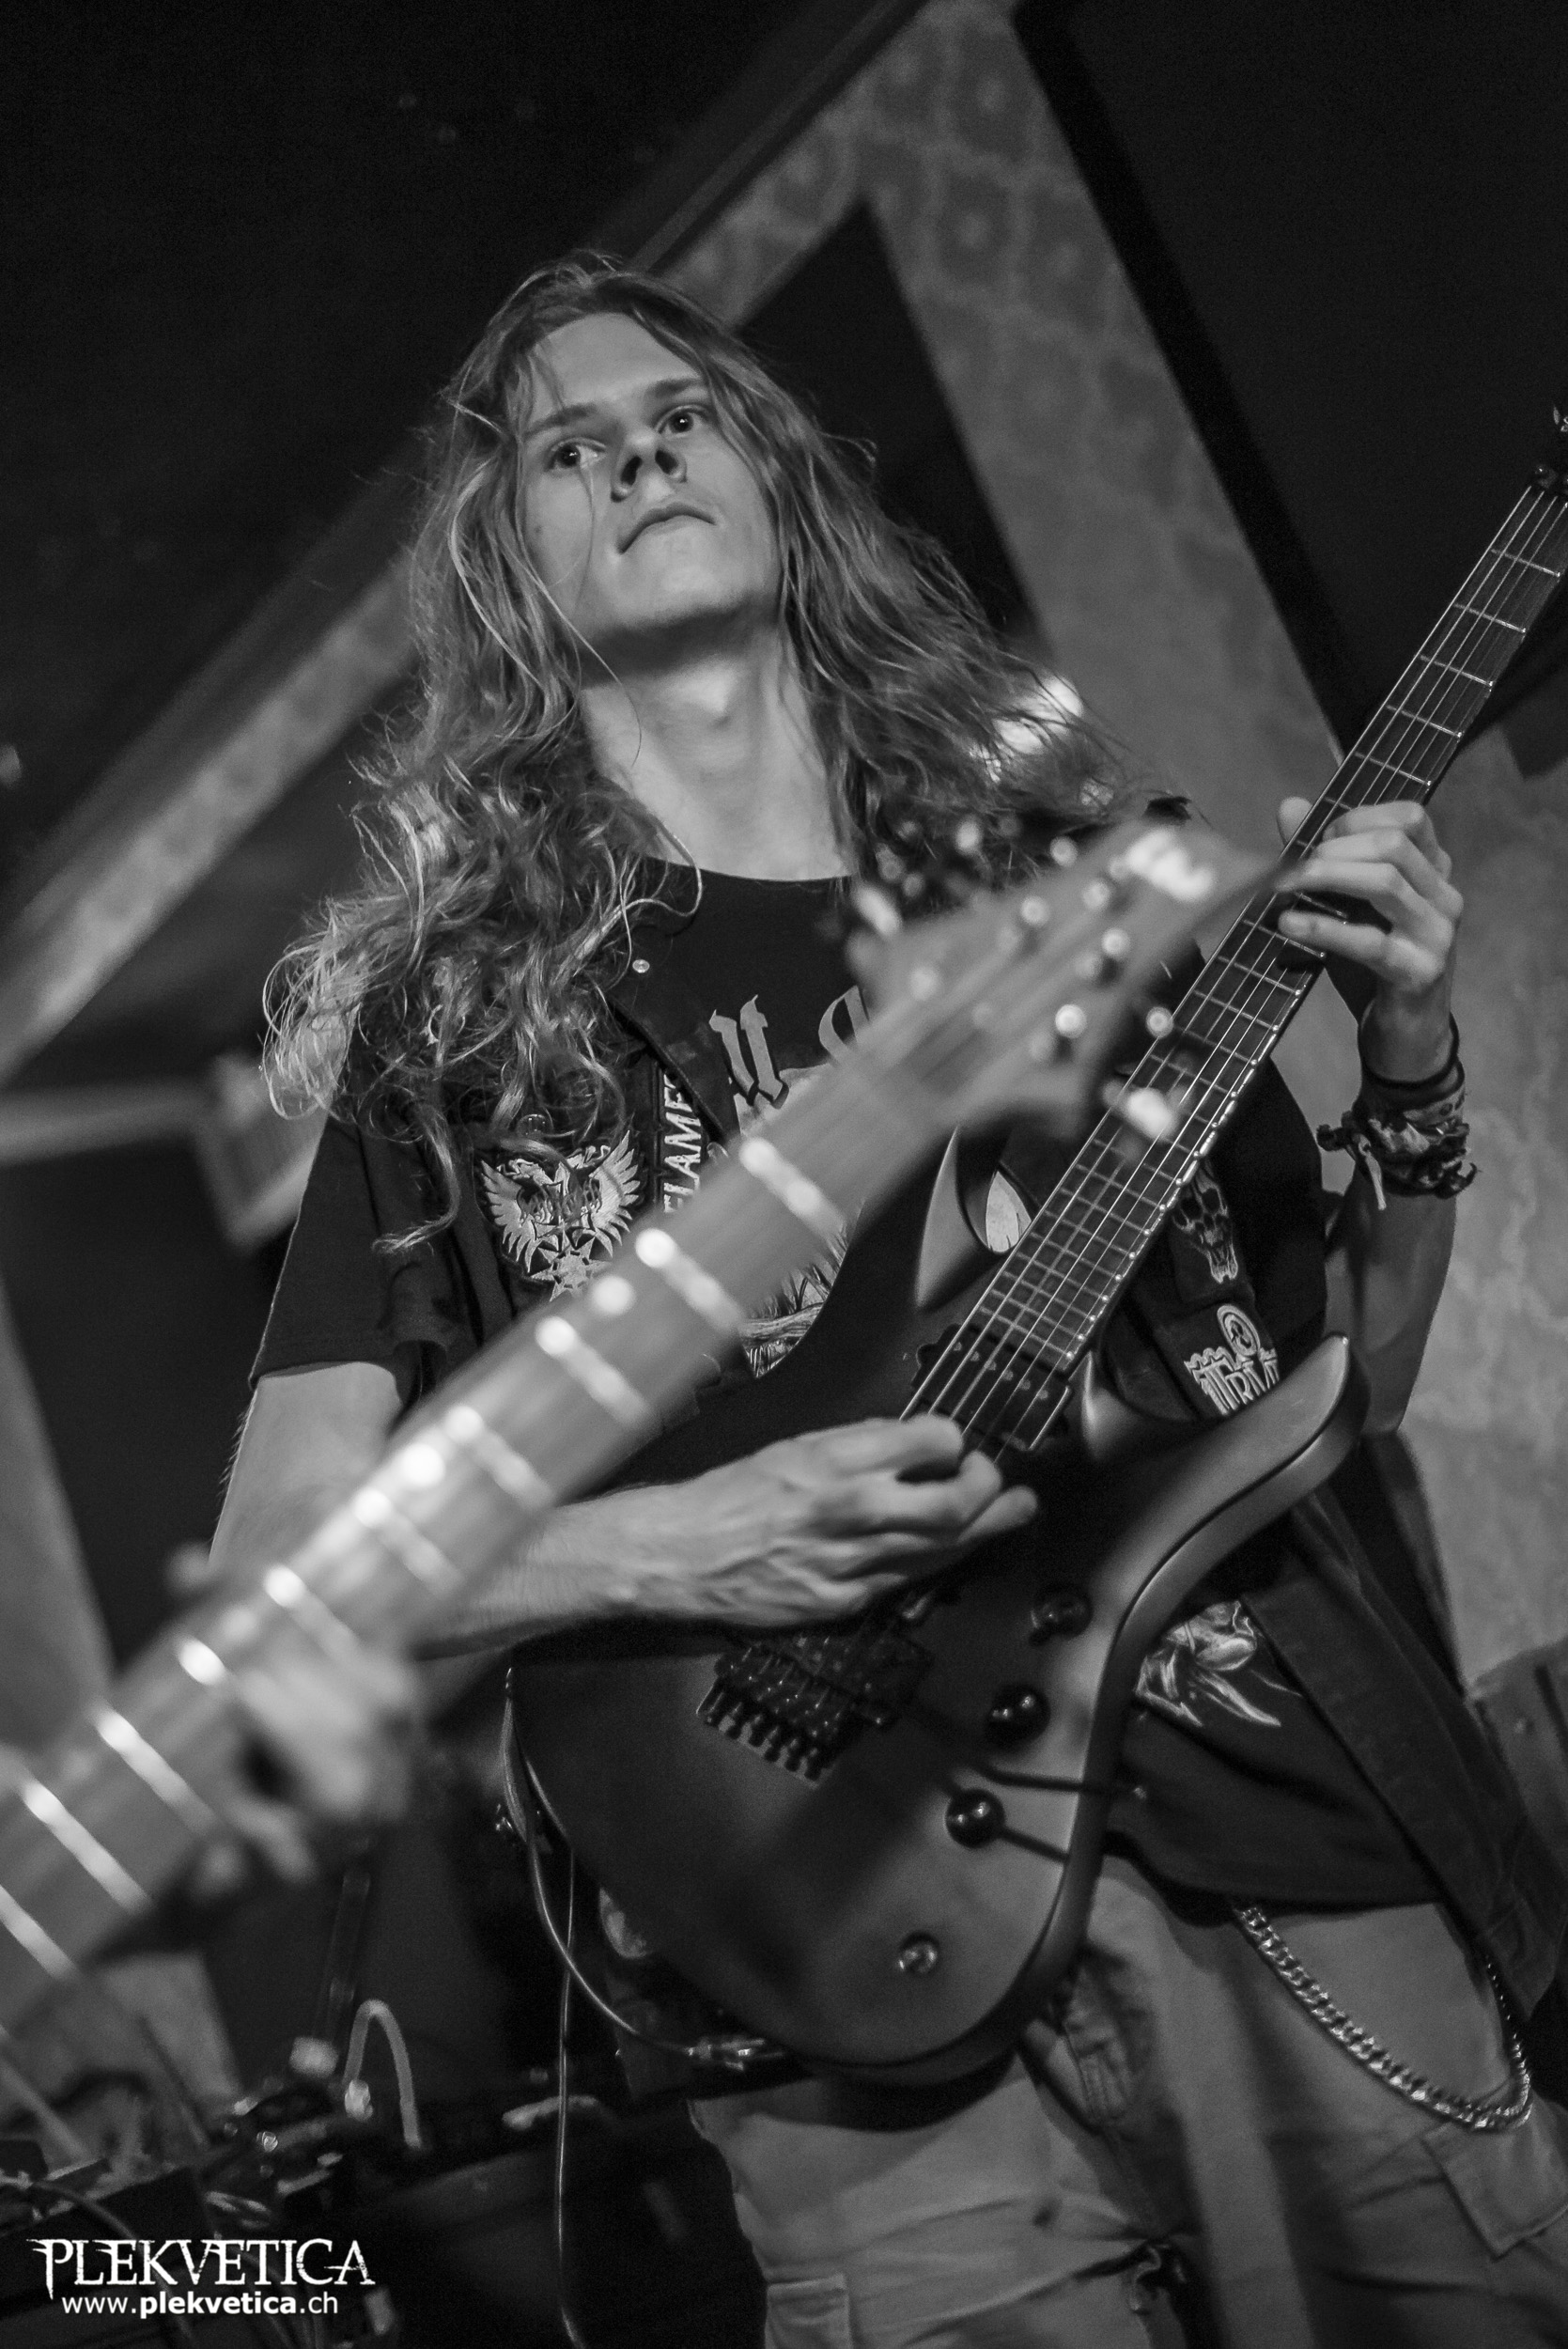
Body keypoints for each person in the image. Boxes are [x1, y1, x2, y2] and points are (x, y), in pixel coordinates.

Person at [212, 260, 1568, 2344]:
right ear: (509, 571)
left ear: (773, 474)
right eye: (569, 450)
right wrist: (687, 1542)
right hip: (812, 1958)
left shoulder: (1079, 887)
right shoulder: (460, 1036)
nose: (638, 455)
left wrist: (1409, 1055)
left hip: (1274, 1845)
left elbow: (1337, 1386)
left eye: (682, 414)